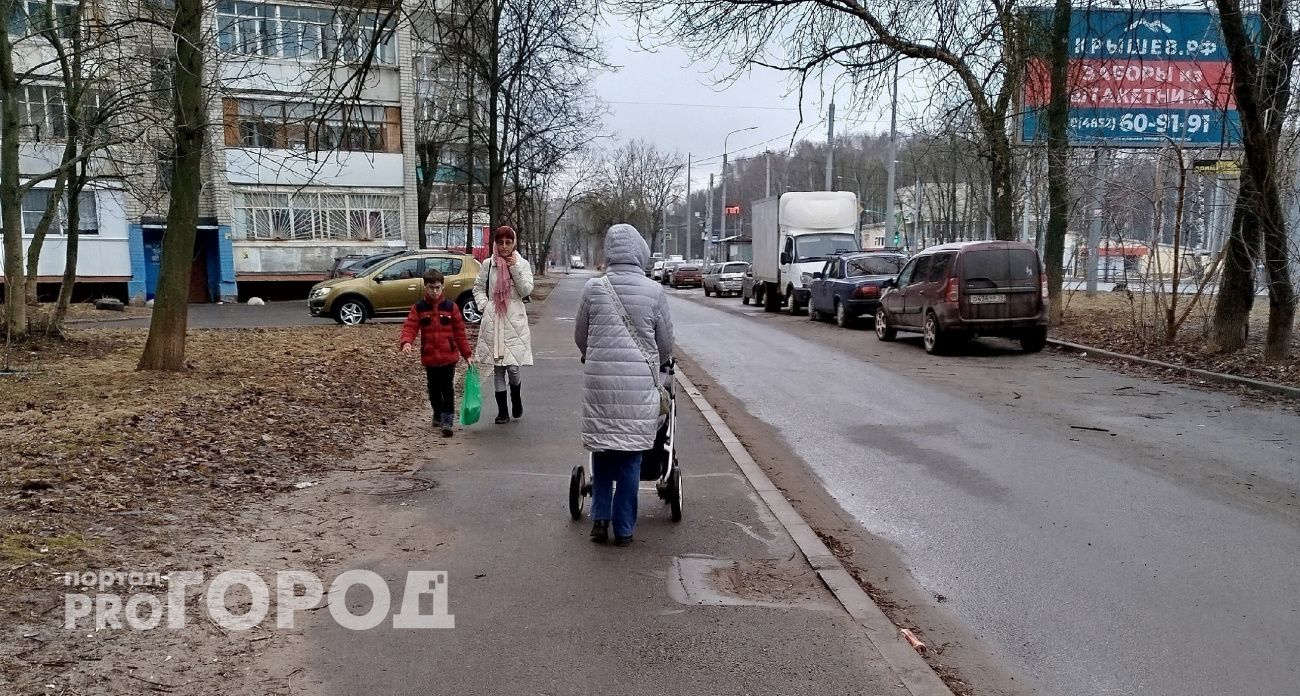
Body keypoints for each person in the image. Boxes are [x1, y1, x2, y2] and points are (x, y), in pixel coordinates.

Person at [574, 224, 673, 547]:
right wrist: (656, 363)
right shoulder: (654, 291)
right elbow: (665, 344)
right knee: (631, 457)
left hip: (599, 381)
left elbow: (580, 335)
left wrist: (594, 356)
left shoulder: (593, 288)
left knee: (602, 452)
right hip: (638, 384)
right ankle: (625, 528)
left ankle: (600, 520)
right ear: (639, 252)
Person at [472, 225, 535, 424]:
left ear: (514, 242)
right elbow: (478, 288)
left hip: (514, 320)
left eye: (508, 242)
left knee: (513, 368)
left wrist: (514, 267)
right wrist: (485, 306)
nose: (504, 246)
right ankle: (502, 412)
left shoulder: (522, 263)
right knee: (497, 368)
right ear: (496, 243)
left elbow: (526, 289)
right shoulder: (488, 264)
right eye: (501, 242)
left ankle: (516, 400)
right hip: (494, 320)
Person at [400, 268, 473, 437]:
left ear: (442, 287)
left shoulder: (451, 307)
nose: (434, 291)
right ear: (425, 287)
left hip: (448, 356)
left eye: (437, 287)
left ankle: (447, 419)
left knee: (447, 388)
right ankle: (438, 412)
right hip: (430, 356)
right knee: (433, 388)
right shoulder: (419, 308)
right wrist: (406, 342)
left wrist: (467, 355)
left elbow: (460, 333)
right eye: (431, 288)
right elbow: (410, 327)